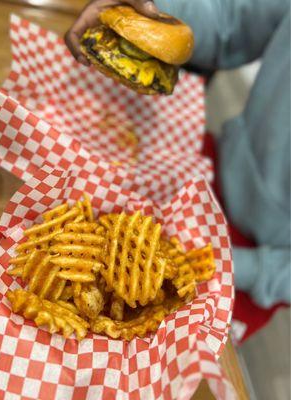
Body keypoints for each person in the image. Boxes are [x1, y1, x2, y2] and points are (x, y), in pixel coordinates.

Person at [65, 0, 290, 308]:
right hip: (214, 166)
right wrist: (150, 10)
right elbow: (232, 25)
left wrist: (242, 268)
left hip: (258, 265)